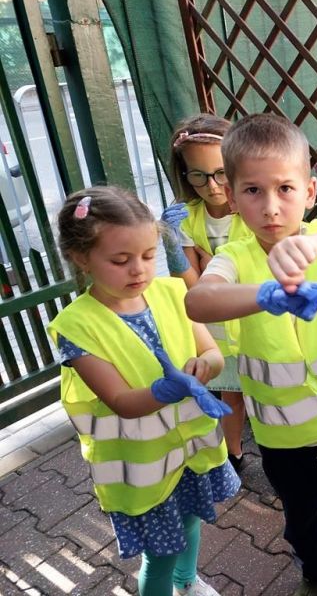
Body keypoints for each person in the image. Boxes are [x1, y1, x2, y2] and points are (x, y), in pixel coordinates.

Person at [184, 113, 317, 596]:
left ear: (309, 191)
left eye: (285, 188)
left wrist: (315, 243)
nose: (270, 207)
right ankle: (314, 570)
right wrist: (264, 294)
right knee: (300, 518)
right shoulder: (234, 257)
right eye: (253, 190)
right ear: (232, 197)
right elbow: (198, 301)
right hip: (281, 427)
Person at [49, 186, 240, 596]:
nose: (139, 270)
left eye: (149, 256)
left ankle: (186, 582)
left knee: (190, 523)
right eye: (121, 260)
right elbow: (120, 401)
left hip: (189, 450)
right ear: (81, 258)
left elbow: (211, 352)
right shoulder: (76, 328)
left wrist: (205, 367)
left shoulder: (171, 292)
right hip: (143, 466)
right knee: (160, 554)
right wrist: (166, 390)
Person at [165, 113, 251, 473]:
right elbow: (193, 285)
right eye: (198, 175)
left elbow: (259, 269)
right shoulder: (186, 218)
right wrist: (174, 248)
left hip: (256, 321)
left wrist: (208, 263)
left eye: (221, 173)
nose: (212, 186)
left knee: (266, 388)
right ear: (184, 174)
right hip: (218, 331)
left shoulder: (253, 208)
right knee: (231, 392)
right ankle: (234, 453)